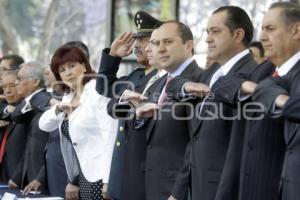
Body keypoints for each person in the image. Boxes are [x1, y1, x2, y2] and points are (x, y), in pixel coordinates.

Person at [166, 6, 257, 200]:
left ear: (238, 34)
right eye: (207, 32)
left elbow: (240, 152)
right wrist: (178, 192)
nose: (207, 38)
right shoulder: (212, 72)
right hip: (194, 189)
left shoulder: (253, 75)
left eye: (215, 31)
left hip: (224, 191)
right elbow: (195, 138)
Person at [135, 20, 203, 200]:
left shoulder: (199, 81)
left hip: (181, 191)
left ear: (188, 45)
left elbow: (196, 143)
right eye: (156, 43)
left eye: (168, 42)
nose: (160, 49)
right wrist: (140, 117)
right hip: (154, 185)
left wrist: (178, 193)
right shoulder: (159, 83)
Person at [97, 11, 161, 200]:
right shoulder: (137, 75)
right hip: (124, 165)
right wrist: (113, 56)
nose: (137, 46)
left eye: (144, 40)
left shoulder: (162, 77)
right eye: (137, 40)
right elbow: (104, 87)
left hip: (143, 168)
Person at [39, 46, 118, 200]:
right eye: (62, 70)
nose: (68, 73)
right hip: (83, 174)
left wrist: (108, 180)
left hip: (101, 175)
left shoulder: (97, 90)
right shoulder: (68, 97)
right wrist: (58, 109)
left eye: (72, 66)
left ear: (84, 65)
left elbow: (110, 135)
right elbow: (44, 125)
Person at [251, 2, 300, 200]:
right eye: (262, 29)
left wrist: (286, 104)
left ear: (296, 30)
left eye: (270, 29)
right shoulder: (267, 73)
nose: (262, 37)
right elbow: (264, 88)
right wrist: (284, 101)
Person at [8, 62, 51, 193]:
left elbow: (52, 147)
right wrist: (17, 175)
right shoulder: (29, 103)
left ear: (36, 81)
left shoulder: (47, 103)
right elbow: (15, 116)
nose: (16, 82)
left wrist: (41, 178)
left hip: (45, 180)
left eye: (20, 78)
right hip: (29, 177)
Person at [0, 70, 28, 182]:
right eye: (4, 87)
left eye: (12, 85)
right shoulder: (4, 109)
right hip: (3, 173)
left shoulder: (28, 109)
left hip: (20, 178)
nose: (8, 91)